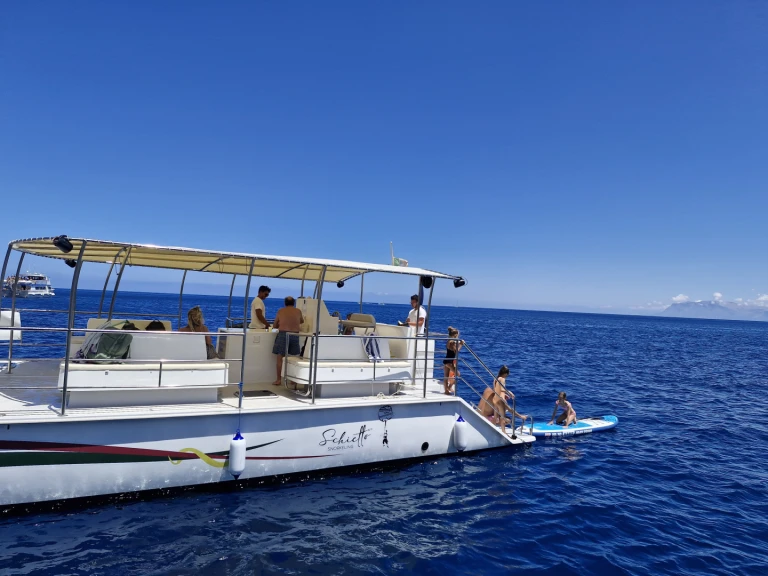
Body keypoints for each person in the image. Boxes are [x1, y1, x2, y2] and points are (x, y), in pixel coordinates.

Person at [272, 296, 304, 386]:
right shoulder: (298, 311)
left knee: (280, 357)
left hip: (283, 334)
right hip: (295, 335)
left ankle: (278, 380)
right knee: (294, 358)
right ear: (294, 303)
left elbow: (275, 325)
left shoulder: (280, 311)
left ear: (285, 303)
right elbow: (301, 321)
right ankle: (293, 380)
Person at [443, 326, 463, 395]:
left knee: (446, 376)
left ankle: (446, 391)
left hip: (447, 360)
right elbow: (456, 351)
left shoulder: (449, 341)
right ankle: (449, 387)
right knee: (458, 374)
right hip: (449, 362)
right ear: (455, 335)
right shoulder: (452, 343)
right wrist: (461, 344)